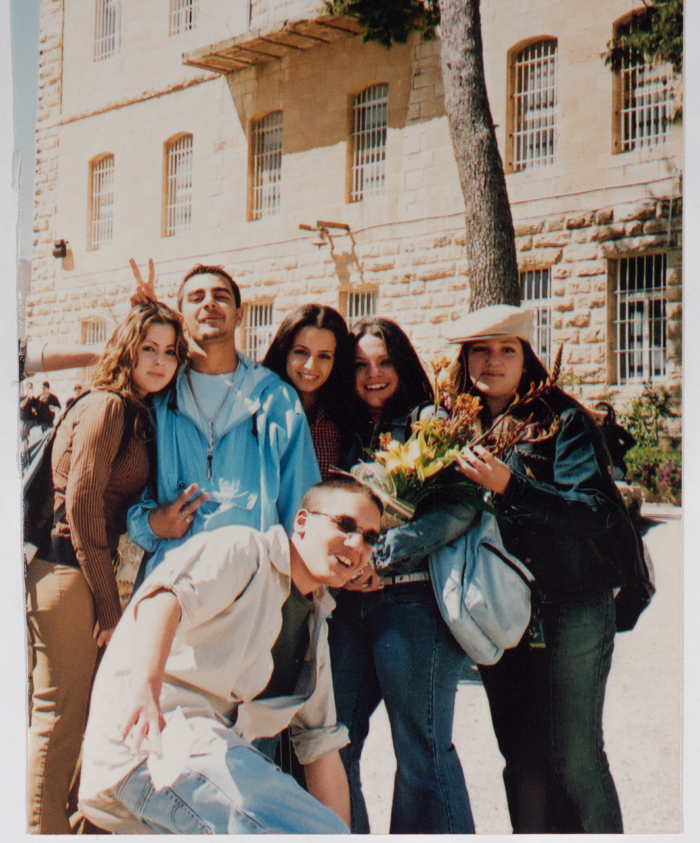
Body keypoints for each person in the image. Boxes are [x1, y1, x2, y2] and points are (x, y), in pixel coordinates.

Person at [78, 478, 383, 835]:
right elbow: (164, 600)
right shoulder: (246, 550)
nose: (356, 544)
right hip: (158, 739)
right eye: (344, 525)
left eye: (370, 537)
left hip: (194, 770)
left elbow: (322, 748)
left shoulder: (314, 629)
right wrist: (146, 688)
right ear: (301, 522)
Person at [446, 304, 630, 833]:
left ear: (527, 359)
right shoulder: (454, 425)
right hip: (501, 607)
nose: (493, 361)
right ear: (465, 359)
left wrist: (512, 486)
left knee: (575, 758)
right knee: (522, 757)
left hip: (571, 604)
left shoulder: (563, 421)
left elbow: (593, 513)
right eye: (481, 349)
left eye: (508, 350)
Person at [26, 301, 188, 834]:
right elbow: (82, 505)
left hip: (77, 575)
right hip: (68, 572)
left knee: (84, 720)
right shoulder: (110, 407)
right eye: (149, 348)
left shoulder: (135, 408)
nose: (161, 360)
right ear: (127, 348)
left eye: (170, 351)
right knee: (60, 720)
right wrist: (109, 604)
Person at [328, 316, 476, 834]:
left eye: (384, 361)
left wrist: (385, 553)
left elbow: (463, 506)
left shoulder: (430, 422)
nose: (373, 374)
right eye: (361, 365)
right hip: (348, 610)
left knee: (421, 753)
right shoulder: (344, 428)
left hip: (410, 605)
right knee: (333, 741)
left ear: (403, 363)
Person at [126, 264, 320, 578]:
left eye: (220, 296)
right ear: (180, 317)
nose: (209, 303)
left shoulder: (275, 400)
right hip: (172, 583)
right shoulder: (157, 399)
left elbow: (302, 507)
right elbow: (125, 497)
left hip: (249, 586)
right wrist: (152, 523)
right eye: (196, 297)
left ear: (240, 314)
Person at [263, 304, 352, 480]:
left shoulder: (342, 418)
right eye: (301, 352)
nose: (310, 366)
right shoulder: (261, 406)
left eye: (324, 356)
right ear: (285, 351)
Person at [595, 401, 637, 480]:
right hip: (611, 469)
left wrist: (619, 450)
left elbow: (631, 441)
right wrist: (620, 450)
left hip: (611, 469)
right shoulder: (613, 429)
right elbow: (631, 441)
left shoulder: (613, 429)